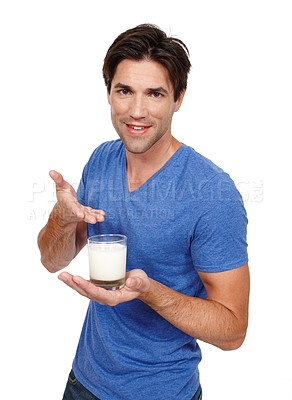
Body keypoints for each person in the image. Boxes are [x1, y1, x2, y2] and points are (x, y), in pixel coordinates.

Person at [38, 24, 250, 400]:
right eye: (124, 91)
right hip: (83, 382)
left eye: (155, 94)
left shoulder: (212, 193)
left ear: (178, 98)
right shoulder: (102, 159)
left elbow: (233, 332)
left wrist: (148, 291)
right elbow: (52, 260)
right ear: (108, 93)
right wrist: (63, 216)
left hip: (162, 392)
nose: (137, 111)